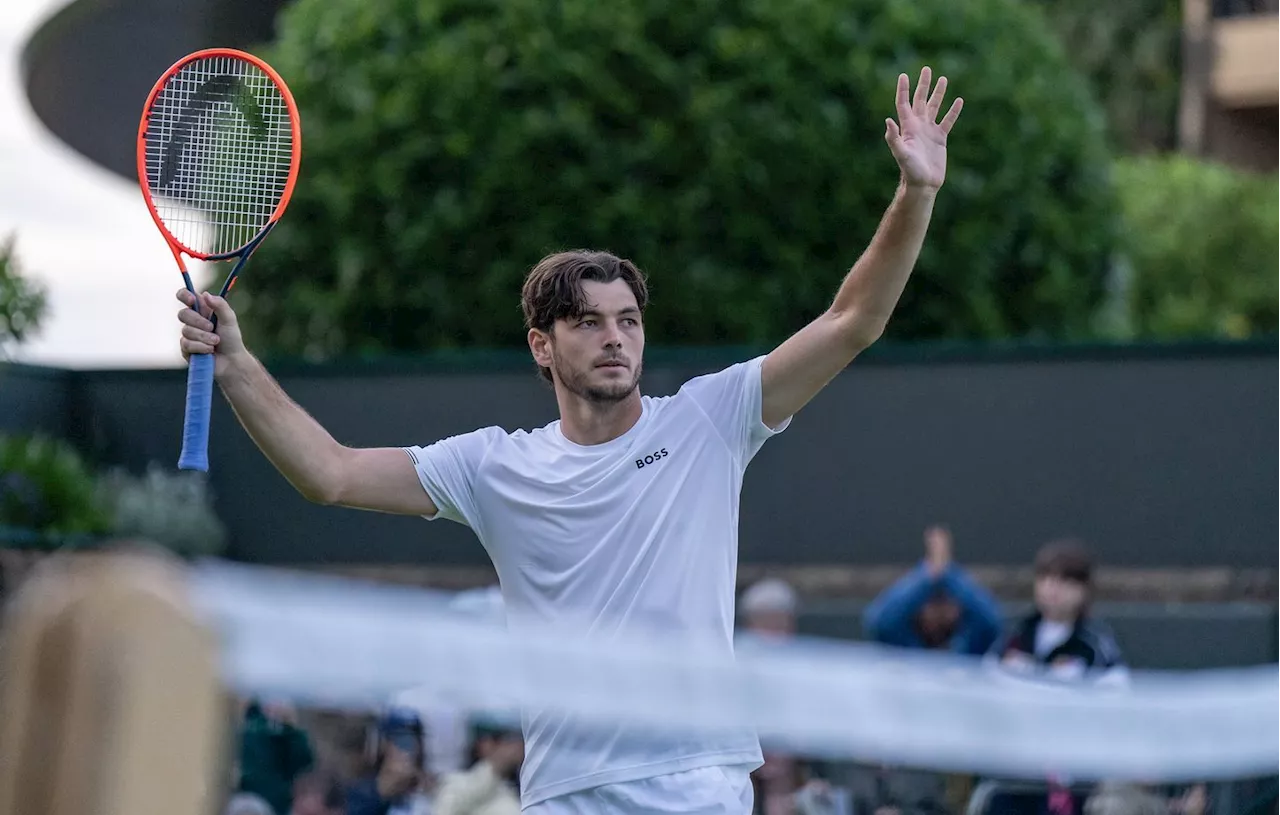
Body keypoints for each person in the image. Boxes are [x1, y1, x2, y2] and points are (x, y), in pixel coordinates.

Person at [175, 67, 963, 815]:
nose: (615, 338)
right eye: (588, 322)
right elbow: (331, 473)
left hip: (696, 784)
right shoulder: (493, 466)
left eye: (628, 320)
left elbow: (851, 321)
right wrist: (238, 363)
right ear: (541, 346)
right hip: (564, 791)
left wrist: (915, 194)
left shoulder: (709, 420)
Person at [862, 525, 1003, 655]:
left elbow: (992, 620)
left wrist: (948, 572)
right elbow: (879, 620)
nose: (939, 613)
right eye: (933, 604)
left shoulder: (972, 644)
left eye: (946, 603)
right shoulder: (902, 643)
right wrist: (928, 577)